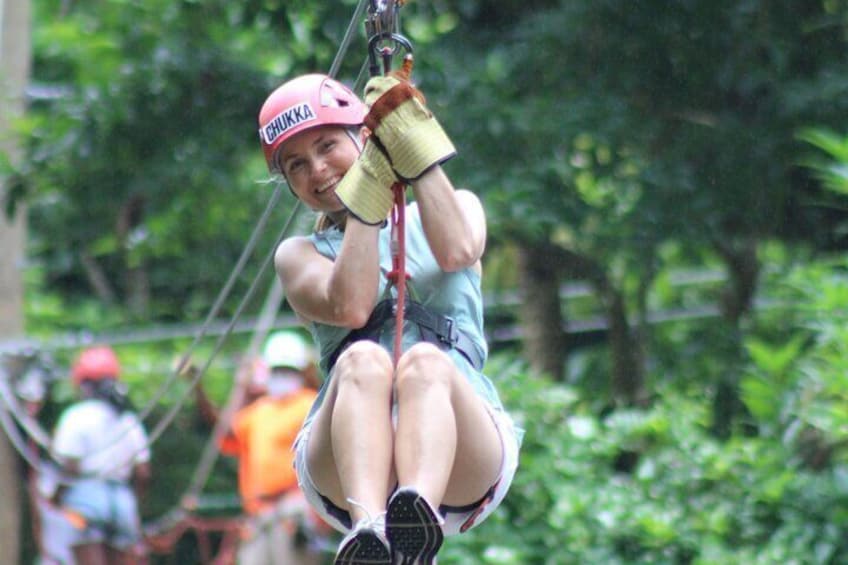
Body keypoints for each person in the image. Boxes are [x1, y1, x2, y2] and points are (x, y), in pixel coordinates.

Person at [257, 69, 523, 564]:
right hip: (347, 464)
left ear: (362, 137)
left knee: (426, 363)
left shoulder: (456, 207)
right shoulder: (297, 256)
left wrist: (414, 154)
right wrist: (368, 199)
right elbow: (352, 305)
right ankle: (368, 532)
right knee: (361, 360)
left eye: (327, 147)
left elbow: (459, 249)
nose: (317, 170)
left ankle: (414, 520)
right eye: (296, 165)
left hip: (462, 443)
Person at [189, 330, 325, 565]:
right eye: (277, 370)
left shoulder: (309, 403)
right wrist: (201, 388)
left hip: (292, 507)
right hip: (258, 512)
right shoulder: (260, 410)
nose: (281, 376)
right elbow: (224, 430)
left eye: (287, 371)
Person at [51, 345, 151, 565]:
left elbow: (71, 467)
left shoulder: (76, 417)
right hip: (122, 499)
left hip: (86, 499)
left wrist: (56, 496)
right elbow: (143, 472)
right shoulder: (127, 419)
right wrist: (133, 502)